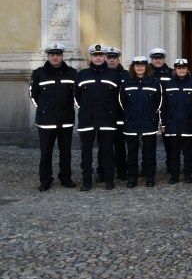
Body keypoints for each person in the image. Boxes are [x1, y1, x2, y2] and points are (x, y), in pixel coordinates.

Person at [29, 43, 77, 191]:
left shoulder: (72, 73)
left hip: (66, 119)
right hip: (46, 121)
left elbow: (77, 94)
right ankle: (45, 180)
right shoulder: (39, 73)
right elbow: (33, 94)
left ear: (62, 56)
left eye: (58, 55)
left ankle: (66, 177)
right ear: (48, 56)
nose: (55, 58)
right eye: (52, 55)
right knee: (46, 152)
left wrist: (70, 109)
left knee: (66, 151)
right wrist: (43, 110)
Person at [75, 44, 122, 191]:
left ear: (105, 57)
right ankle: (86, 181)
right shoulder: (82, 75)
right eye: (95, 55)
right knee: (86, 152)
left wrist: (111, 113)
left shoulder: (114, 75)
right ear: (91, 57)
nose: (98, 58)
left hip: (107, 119)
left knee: (107, 151)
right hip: (87, 119)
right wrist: (84, 110)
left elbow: (118, 98)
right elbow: (77, 97)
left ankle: (109, 179)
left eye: (101, 55)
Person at [121, 56, 164, 187]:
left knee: (149, 152)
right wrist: (128, 115)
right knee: (132, 153)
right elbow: (121, 102)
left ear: (147, 68)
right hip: (131, 123)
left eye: (142, 65)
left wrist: (154, 117)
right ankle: (132, 178)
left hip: (148, 122)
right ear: (133, 68)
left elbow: (160, 102)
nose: (140, 68)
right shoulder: (127, 83)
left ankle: (150, 177)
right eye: (137, 65)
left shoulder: (154, 83)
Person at [161, 58, 192, 184]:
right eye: (179, 68)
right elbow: (164, 106)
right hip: (172, 123)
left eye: (183, 68)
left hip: (189, 123)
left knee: (188, 152)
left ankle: (187, 175)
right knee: (174, 152)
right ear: (175, 69)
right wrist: (163, 123)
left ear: (187, 69)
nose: (181, 70)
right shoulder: (169, 84)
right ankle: (174, 176)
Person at [105, 47, 128, 181]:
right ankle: (103, 172)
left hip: (121, 116)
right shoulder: (102, 73)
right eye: (109, 58)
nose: (112, 60)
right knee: (104, 147)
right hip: (105, 117)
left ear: (119, 59)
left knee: (120, 146)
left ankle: (122, 171)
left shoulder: (126, 75)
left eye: (114, 58)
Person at [149, 48, 172, 172]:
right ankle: (147, 167)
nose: (158, 60)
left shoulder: (170, 73)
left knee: (168, 141)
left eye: (160, 58)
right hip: (150, 110)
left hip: (166, 110)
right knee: (149, 143)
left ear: (163, 59)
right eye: (155, 58)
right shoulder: (146, 73)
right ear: (151, 60)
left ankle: (170, 166)